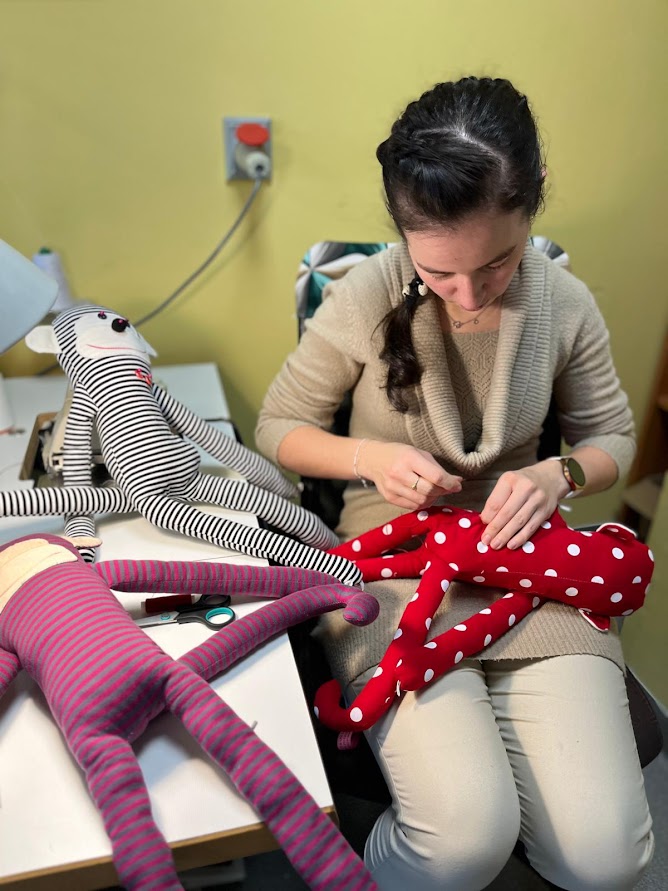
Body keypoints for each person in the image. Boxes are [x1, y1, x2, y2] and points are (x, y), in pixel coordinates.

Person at [255, 76, 654, 891]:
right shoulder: (365, 294)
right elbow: (278, 428)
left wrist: (558, 471)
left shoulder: (566, 304)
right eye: (439, 272)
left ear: (534, 202)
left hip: (529, 561)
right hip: (397, 565)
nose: (469, 294)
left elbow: (613, 437)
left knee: (608, 858)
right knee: (465, 839)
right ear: (404, 233)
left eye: (498, 262)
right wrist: (369, 459)